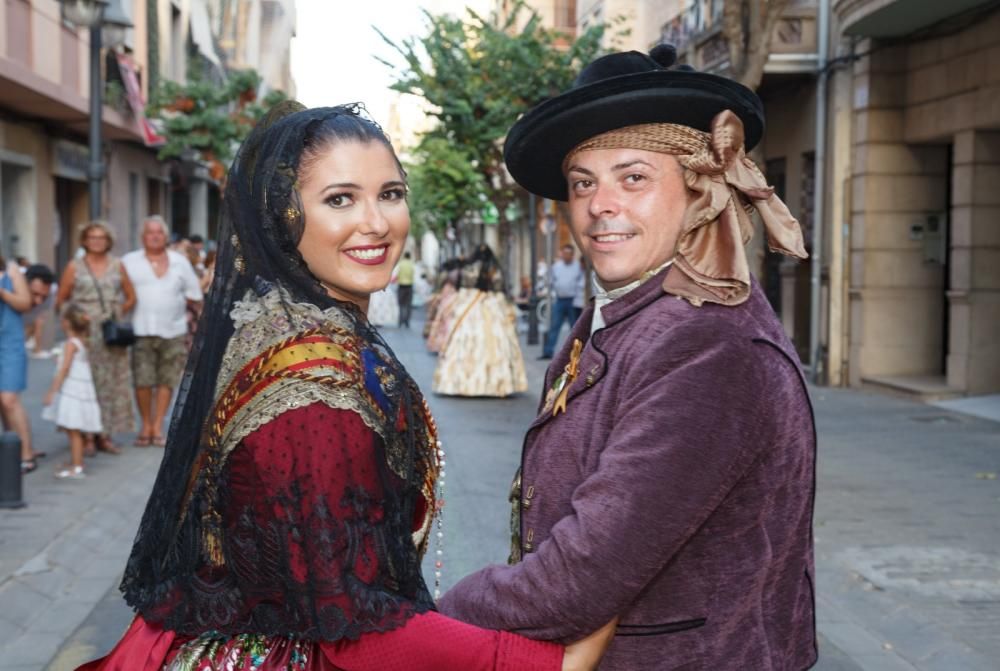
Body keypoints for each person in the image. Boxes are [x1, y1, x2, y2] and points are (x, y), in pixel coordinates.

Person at [77, 102, 613, 671]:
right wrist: (541, 664)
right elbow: (352, 625)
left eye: (390, 193)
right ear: (281, 216)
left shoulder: (289, 325)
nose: (377, 222)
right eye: (340, 199)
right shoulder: (313, 399)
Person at [437, 45, 818, 670]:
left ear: (700, 192)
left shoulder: (710, 344)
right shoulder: (622, 309)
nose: (599, 204)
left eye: (633, 177)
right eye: (584, 182)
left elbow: (580, 576)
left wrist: (429, 622)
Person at [121, 216, 203, 447]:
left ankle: (157, 426)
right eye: (150, 232)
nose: (155, 236)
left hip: (174, 330)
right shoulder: (129, 261)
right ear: (143, 237)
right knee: (143, 381)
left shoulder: (179, 262)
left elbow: (194, 295)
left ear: (165, 237)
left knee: (166, 381)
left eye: (159, 232)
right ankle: (145, 424)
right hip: (140, 330)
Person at [56, 221, 137, 454]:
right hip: (85, 333)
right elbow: (61, 299)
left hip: (109, 334)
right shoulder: (74, 266)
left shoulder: (117, 265)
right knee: (86, 383)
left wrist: (117, 312)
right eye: (92, 237)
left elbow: (131, 297)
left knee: (110, 385)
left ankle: (105, 435)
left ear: (108, 240)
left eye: (101, 237)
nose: (97, 241)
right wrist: (73, 323)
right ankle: (87, 436)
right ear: (84, 240)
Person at [432, 244, 527, 397]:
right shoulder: (495, 270)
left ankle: (464, 383)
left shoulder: (469, 269)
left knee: (465, 343)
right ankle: (495, 384)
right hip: (493, 307)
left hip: (470, 307)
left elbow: (462, 287)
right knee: (496, 344)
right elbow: (500, 289)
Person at [42, 303, 102, 479]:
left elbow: (64, 370)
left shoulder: (70, 344)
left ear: (66, 323)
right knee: (73, 430)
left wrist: (52, 391)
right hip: (80, 390)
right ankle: (76, 461)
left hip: (72, 391)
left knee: (73, 429)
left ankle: (77, 466)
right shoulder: (81, 342)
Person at [0, 252, 38, 473]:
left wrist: (2, 292)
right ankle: (9, 450)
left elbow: (25, 303)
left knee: (9, 399)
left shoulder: (11, 270)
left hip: (9, 344)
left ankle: (26, 453)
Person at [539, 244, 584, 359]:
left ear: (572, 255)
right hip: (559, 300)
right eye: (564, 254)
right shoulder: (557, 266)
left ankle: (577, 353)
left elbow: (581, 281)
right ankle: (548, 352)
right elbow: (549, 279)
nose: (566, 256)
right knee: (554, 326)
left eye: (568, 254)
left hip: (572, 301)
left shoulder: (578, 266)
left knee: (575, 328)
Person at [23, 264, 58, 359]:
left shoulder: (50, 298)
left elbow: (37, 323)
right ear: (23, 284)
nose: (38, 301)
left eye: (44, 297)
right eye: (35, 294)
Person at [396, 250, 415, 327]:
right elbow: (415, 275)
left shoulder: (400, 264)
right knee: (408, 305)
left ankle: (400, 321)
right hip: (409, 286)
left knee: (401, 304)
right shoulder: (412, 264)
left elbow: (396, 274)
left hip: (401, 286)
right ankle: (407, 321)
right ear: (410, 257)